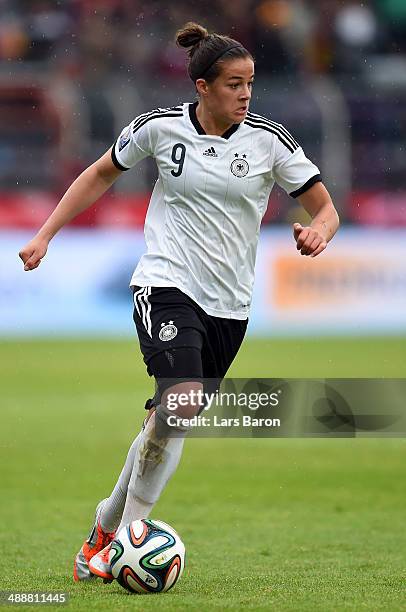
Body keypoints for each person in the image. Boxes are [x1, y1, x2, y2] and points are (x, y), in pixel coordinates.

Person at [19, 22, 339, 584]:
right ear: (202, 86)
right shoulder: (158, 129)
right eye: (234, 84)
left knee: (169, 422)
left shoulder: (269, 141)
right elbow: (98, 174)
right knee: (182, 401)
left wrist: (320, 231)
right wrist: (46, 234)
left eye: (250, 84)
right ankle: (133, 536)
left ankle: (103, 528)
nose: (245, 94)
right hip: (165, 282)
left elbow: (325, 207)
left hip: (230, 306)